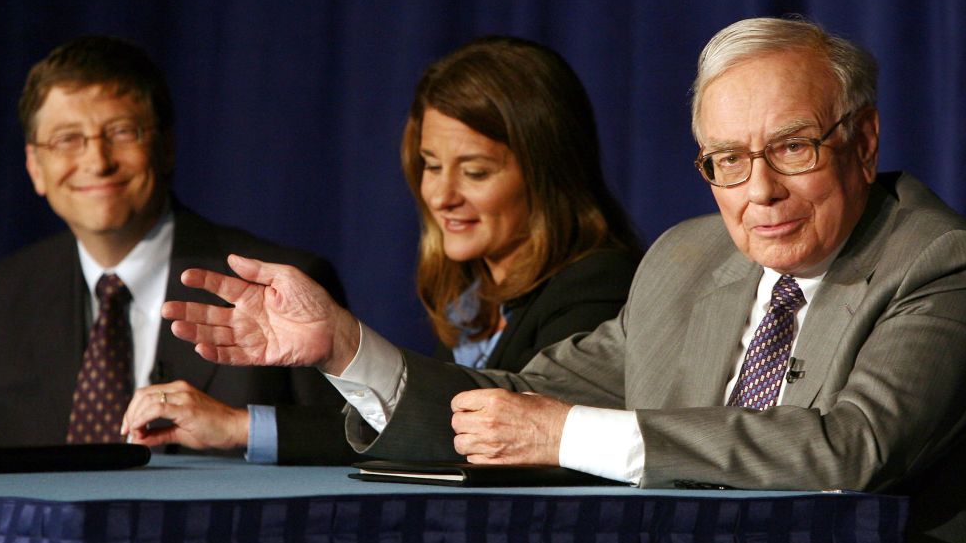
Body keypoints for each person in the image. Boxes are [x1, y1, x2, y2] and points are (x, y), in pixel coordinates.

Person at [161, 18, 966, 543]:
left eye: (792, 147)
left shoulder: (942, 264)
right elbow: (516, 397)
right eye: (727, 160)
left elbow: (846, 450)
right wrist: (346, 349)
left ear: (862, 141)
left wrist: (565, 434)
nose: (759, 193)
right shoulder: (686, 258)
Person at [122, 35, 642, 456]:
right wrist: (238, 426)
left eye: (476, 171)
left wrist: (250, 417)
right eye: (431, 166)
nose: (441, 195)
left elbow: (476, 436)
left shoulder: (599, 287)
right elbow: (413, 422)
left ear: (550, 174)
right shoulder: (478, 294)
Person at [0, 35, 356, 464]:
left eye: (121, 132)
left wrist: (239, 425)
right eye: (68, 139)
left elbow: (361, 437)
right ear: (36, 167)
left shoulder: (275, 284)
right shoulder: (4, 294)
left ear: (166, 148)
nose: (97, 161)